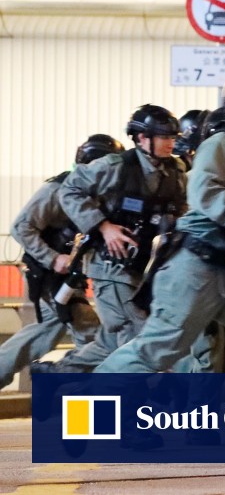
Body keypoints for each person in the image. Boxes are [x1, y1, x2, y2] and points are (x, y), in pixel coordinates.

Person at [95, 65, 225, 376]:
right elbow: (203, 189)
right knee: (158, 351)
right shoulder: (222, 143)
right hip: (197, 265)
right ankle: (85, 414)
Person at [38, 106, 187, 374]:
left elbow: (184, 210)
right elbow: (70, 190)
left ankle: (56, 377)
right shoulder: (114, 167)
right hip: (112, 268)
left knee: (109, 343)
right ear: (141, 138)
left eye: (173, 138)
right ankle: (118, 408)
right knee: (138, 338)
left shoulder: (175, 172)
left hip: (147, 270)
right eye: (164, 137)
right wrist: (103, 226)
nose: (170, 144)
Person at [1, 136, 118, 387]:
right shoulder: (56, 190)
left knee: (41, 333)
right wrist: (53, 259)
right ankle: (85, 404)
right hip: (47, 275)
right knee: (92, 334)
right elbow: (21, 227)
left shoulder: (98, 196)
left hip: (70, 277)